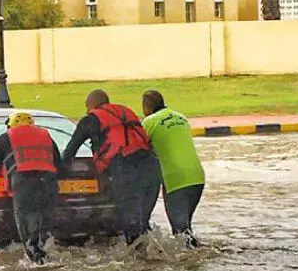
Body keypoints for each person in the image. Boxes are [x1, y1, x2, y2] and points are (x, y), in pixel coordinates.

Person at [62, 90, 161, 246]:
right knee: (142, 223)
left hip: (125, 170)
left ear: (92, 105)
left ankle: (137, 264)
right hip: (152, 168)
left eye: (87, 107)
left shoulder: (91, 120)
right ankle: (153, 259)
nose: (87, 111)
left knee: (131, 227)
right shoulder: (126, 112)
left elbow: (69, 153)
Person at [0, 112, 61, 264]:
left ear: (10, 126)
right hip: (48, 184)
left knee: (27, 226)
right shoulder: (46, 136)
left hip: (24, 184)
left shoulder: (6, 137)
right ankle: (49, 257)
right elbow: (58, 163)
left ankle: (37, 264)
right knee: (43, 225)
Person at [141, 90, 206, 248]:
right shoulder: (182, 118)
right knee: (186, 228)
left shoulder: (149, 122)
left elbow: (141, 150)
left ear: (147, 106)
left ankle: (187, 268)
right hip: (197, 176)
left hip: (175, 179)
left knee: (179, 232)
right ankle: (198, 256)